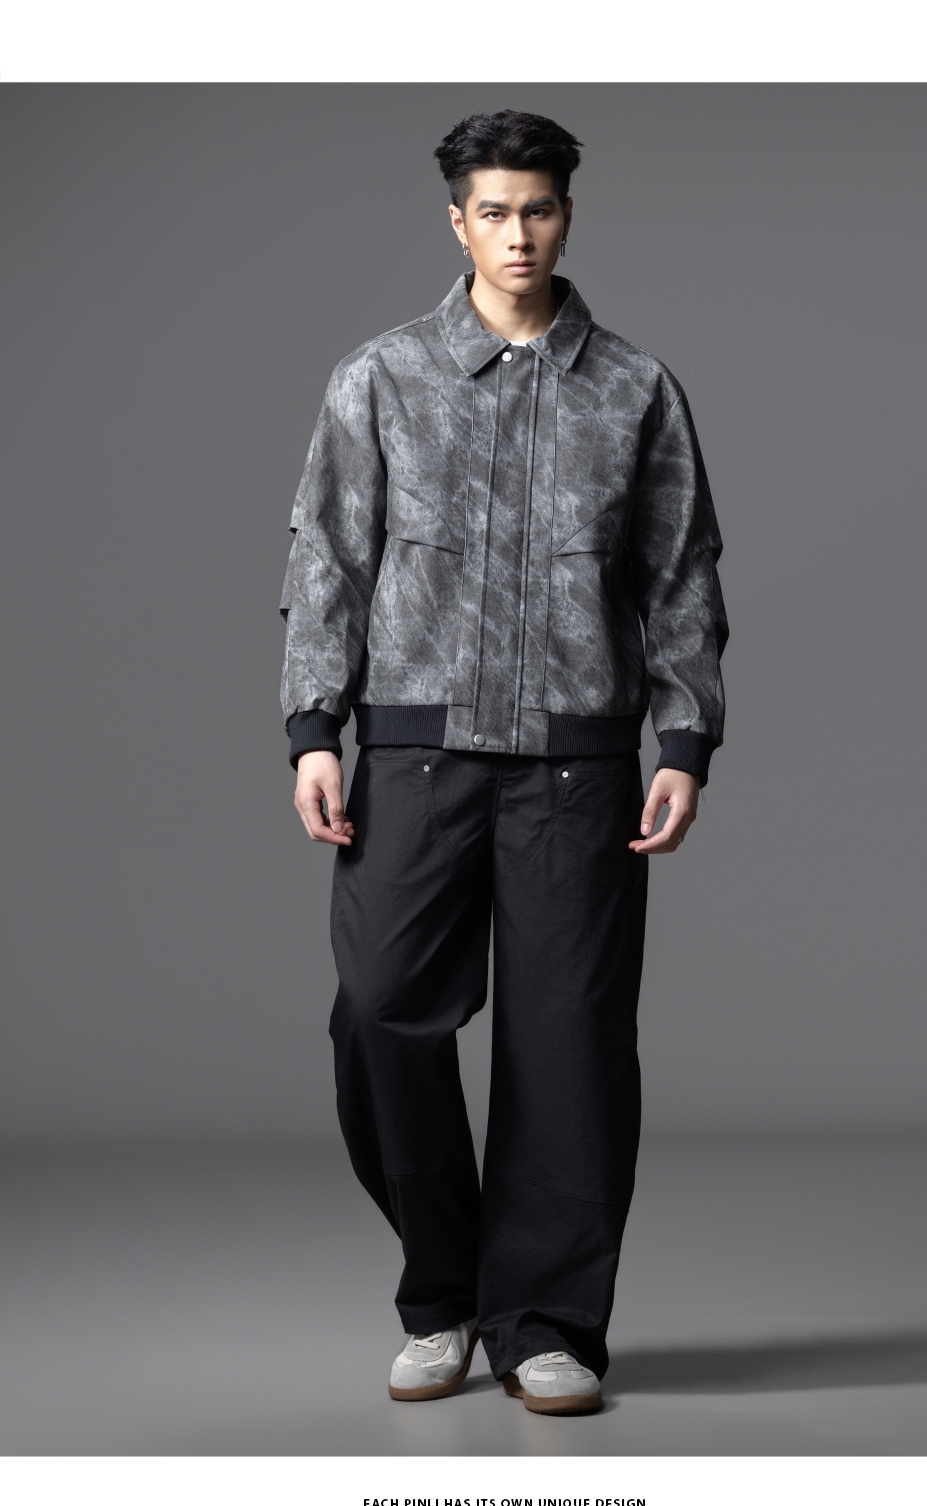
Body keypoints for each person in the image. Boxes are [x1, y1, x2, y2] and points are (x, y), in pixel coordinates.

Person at [279, 109, 727, 1416]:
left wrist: (684, 738)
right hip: (413, 761)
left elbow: (680, 576)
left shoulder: (635, 389)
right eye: (494, 212)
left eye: (537, 209)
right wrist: (314, 729)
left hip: (579, 771)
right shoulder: (381, 377)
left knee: (569, 1046)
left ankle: (549, 1322)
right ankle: (444, 1288)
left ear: (566, 217)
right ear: (457, 222)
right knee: (379, 1012)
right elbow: (327, 560)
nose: (517, 234)